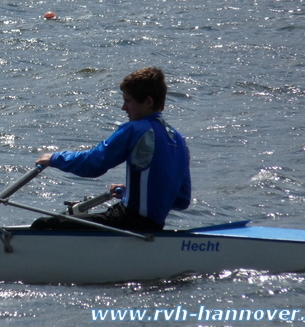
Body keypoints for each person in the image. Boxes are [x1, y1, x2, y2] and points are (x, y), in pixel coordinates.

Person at [32, 67, 191, 232]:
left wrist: (55, 158)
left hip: (127, 221)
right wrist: (135, 192)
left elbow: (94, 163)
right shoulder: (179, 140)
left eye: (128, 101)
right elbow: (181, 200)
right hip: (154, 227)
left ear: (148, 102)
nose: (123, 107)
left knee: (43, 226)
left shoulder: (136, 130)